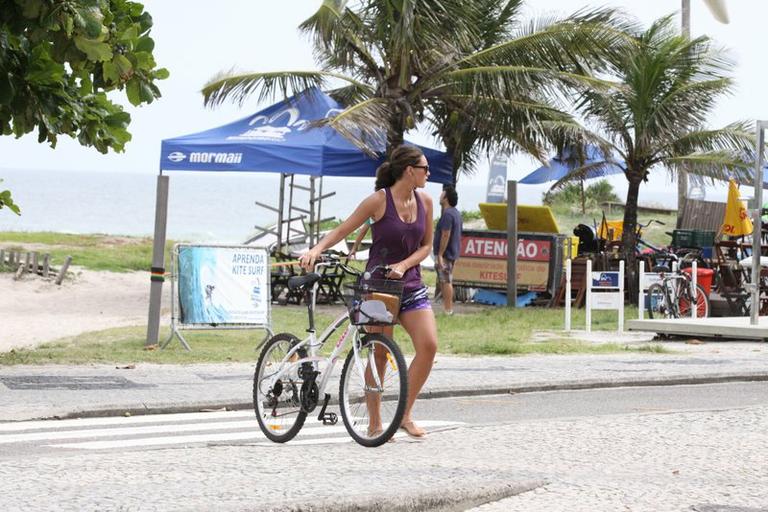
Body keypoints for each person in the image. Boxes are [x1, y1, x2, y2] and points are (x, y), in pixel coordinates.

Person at [299, 144, 437, 438]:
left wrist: (404, 264)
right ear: (409, 171)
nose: (429, 173)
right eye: (425, 168)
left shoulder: (425, 201)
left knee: (429, 346)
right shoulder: (378, 201)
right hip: (378, 287)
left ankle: (404, 414)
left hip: (410, 285)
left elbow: (426, 246)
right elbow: (342, 230)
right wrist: (316, 249)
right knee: (378, 354)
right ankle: (375, 424)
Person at [433, 185, 462, 315]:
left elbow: (446, 234)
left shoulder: (448, 214)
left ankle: (448, 309)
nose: (439, 196)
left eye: (442, 194)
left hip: (446, 253)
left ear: (446, 198)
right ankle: (448, 308)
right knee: (446, 280)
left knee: (445, 281)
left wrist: (440, 254)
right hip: (453, 252)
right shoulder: (456, 213)